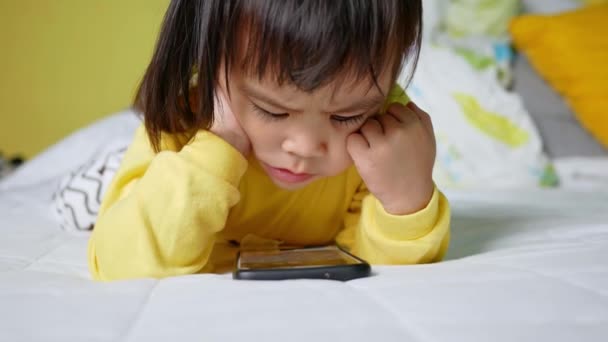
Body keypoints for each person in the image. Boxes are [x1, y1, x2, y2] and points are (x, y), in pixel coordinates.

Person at [88, 0, 450, 281]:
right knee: (98, 191)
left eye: (344, 116)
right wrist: (215, 148)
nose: (305, 147)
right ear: (212, 65)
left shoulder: (379, 135)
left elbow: (389, 268)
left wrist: (406, 201)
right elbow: (119, 263)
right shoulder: (181, 123)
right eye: (273, 111)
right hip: (171, 154)